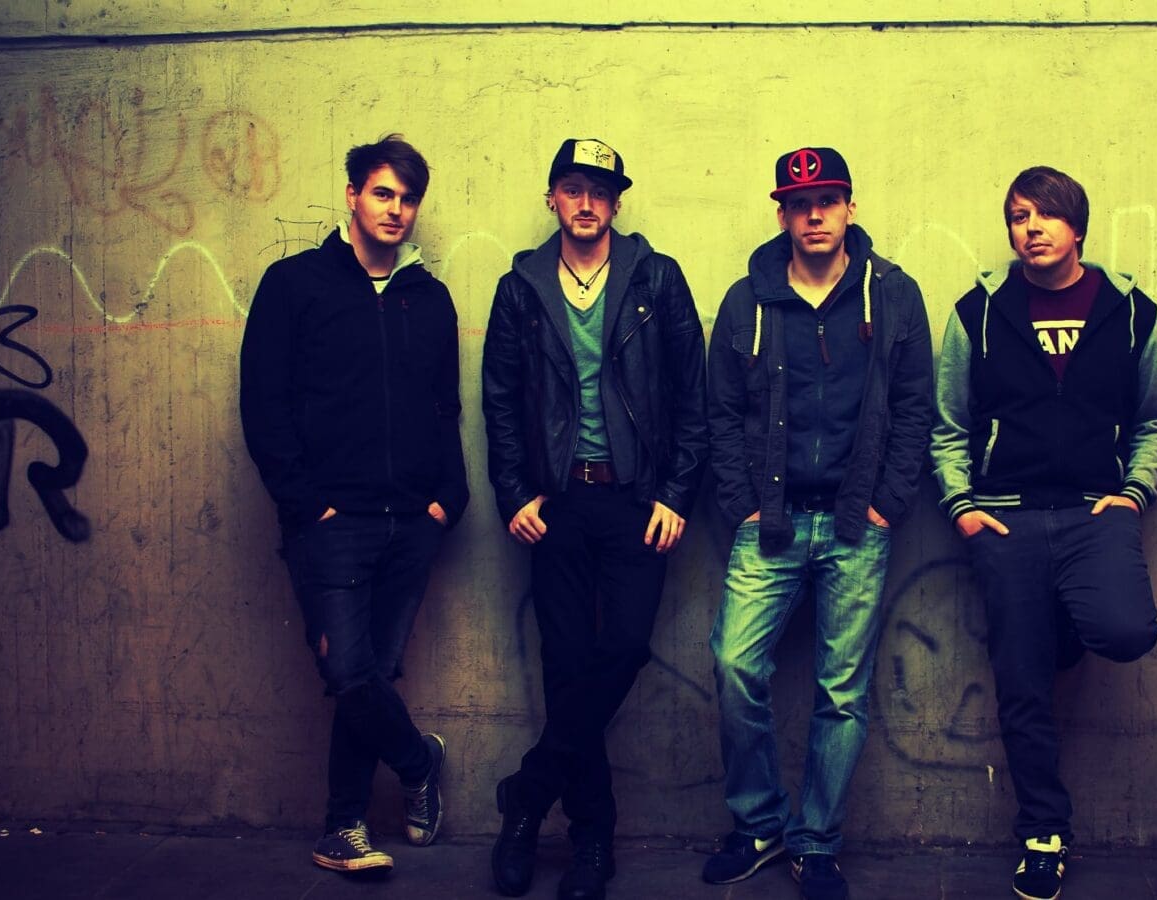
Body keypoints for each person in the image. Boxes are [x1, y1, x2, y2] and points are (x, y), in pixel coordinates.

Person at [929, 165, 1157, 900]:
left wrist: (1132, 494)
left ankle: (1063, 627)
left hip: (1094, 513)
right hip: (1004, 519)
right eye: (1018, 216)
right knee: (1022, 683)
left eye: (1046, 214)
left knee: (1125, 631)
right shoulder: (979, 312)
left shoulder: (1129, 312)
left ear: (1078, 227)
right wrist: (963, 507)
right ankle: (1043, 832)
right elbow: (949, 423)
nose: (1031, 228)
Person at [703, 147, 933, 900]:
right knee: (735, 665)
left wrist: (885, 502)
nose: (814, 216)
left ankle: (817, 840)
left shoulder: (892, 295)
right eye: (799, 204)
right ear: (782, 215)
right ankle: (760, 823)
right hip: (768, 522)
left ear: (850, 208)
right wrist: (742, 503)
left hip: (855, 525)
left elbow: (915, 408)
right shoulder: (748, 300)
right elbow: (720, 410)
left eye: (827, 201)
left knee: (842, 691)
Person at [481, 137, 708, 900]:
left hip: (636, 501)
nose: (586, 204)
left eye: (600, 192)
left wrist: (676, 493)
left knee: (625, 646)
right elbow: (500, 401)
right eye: (573, 189)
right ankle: (591, 839)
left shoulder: (656, 278)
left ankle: (526, 793)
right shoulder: (521, 287)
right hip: (558, 504)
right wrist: (514, 493)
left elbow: (692, 396)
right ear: (552, 197)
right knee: (567, 665)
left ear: (615, 203)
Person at [240, 133, 468, 874]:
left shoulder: (428, 299)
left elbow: (444, 407)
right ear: (352, 195)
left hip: (414, 522)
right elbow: (264, 404)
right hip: (331, 524)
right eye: (382, 193)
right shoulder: (294, 284)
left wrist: (449, 498)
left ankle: (343, 827)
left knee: (371, 672)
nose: (395, 209)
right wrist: (306, 504)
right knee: (348, 671)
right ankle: (417, 762)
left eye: (408, 198)